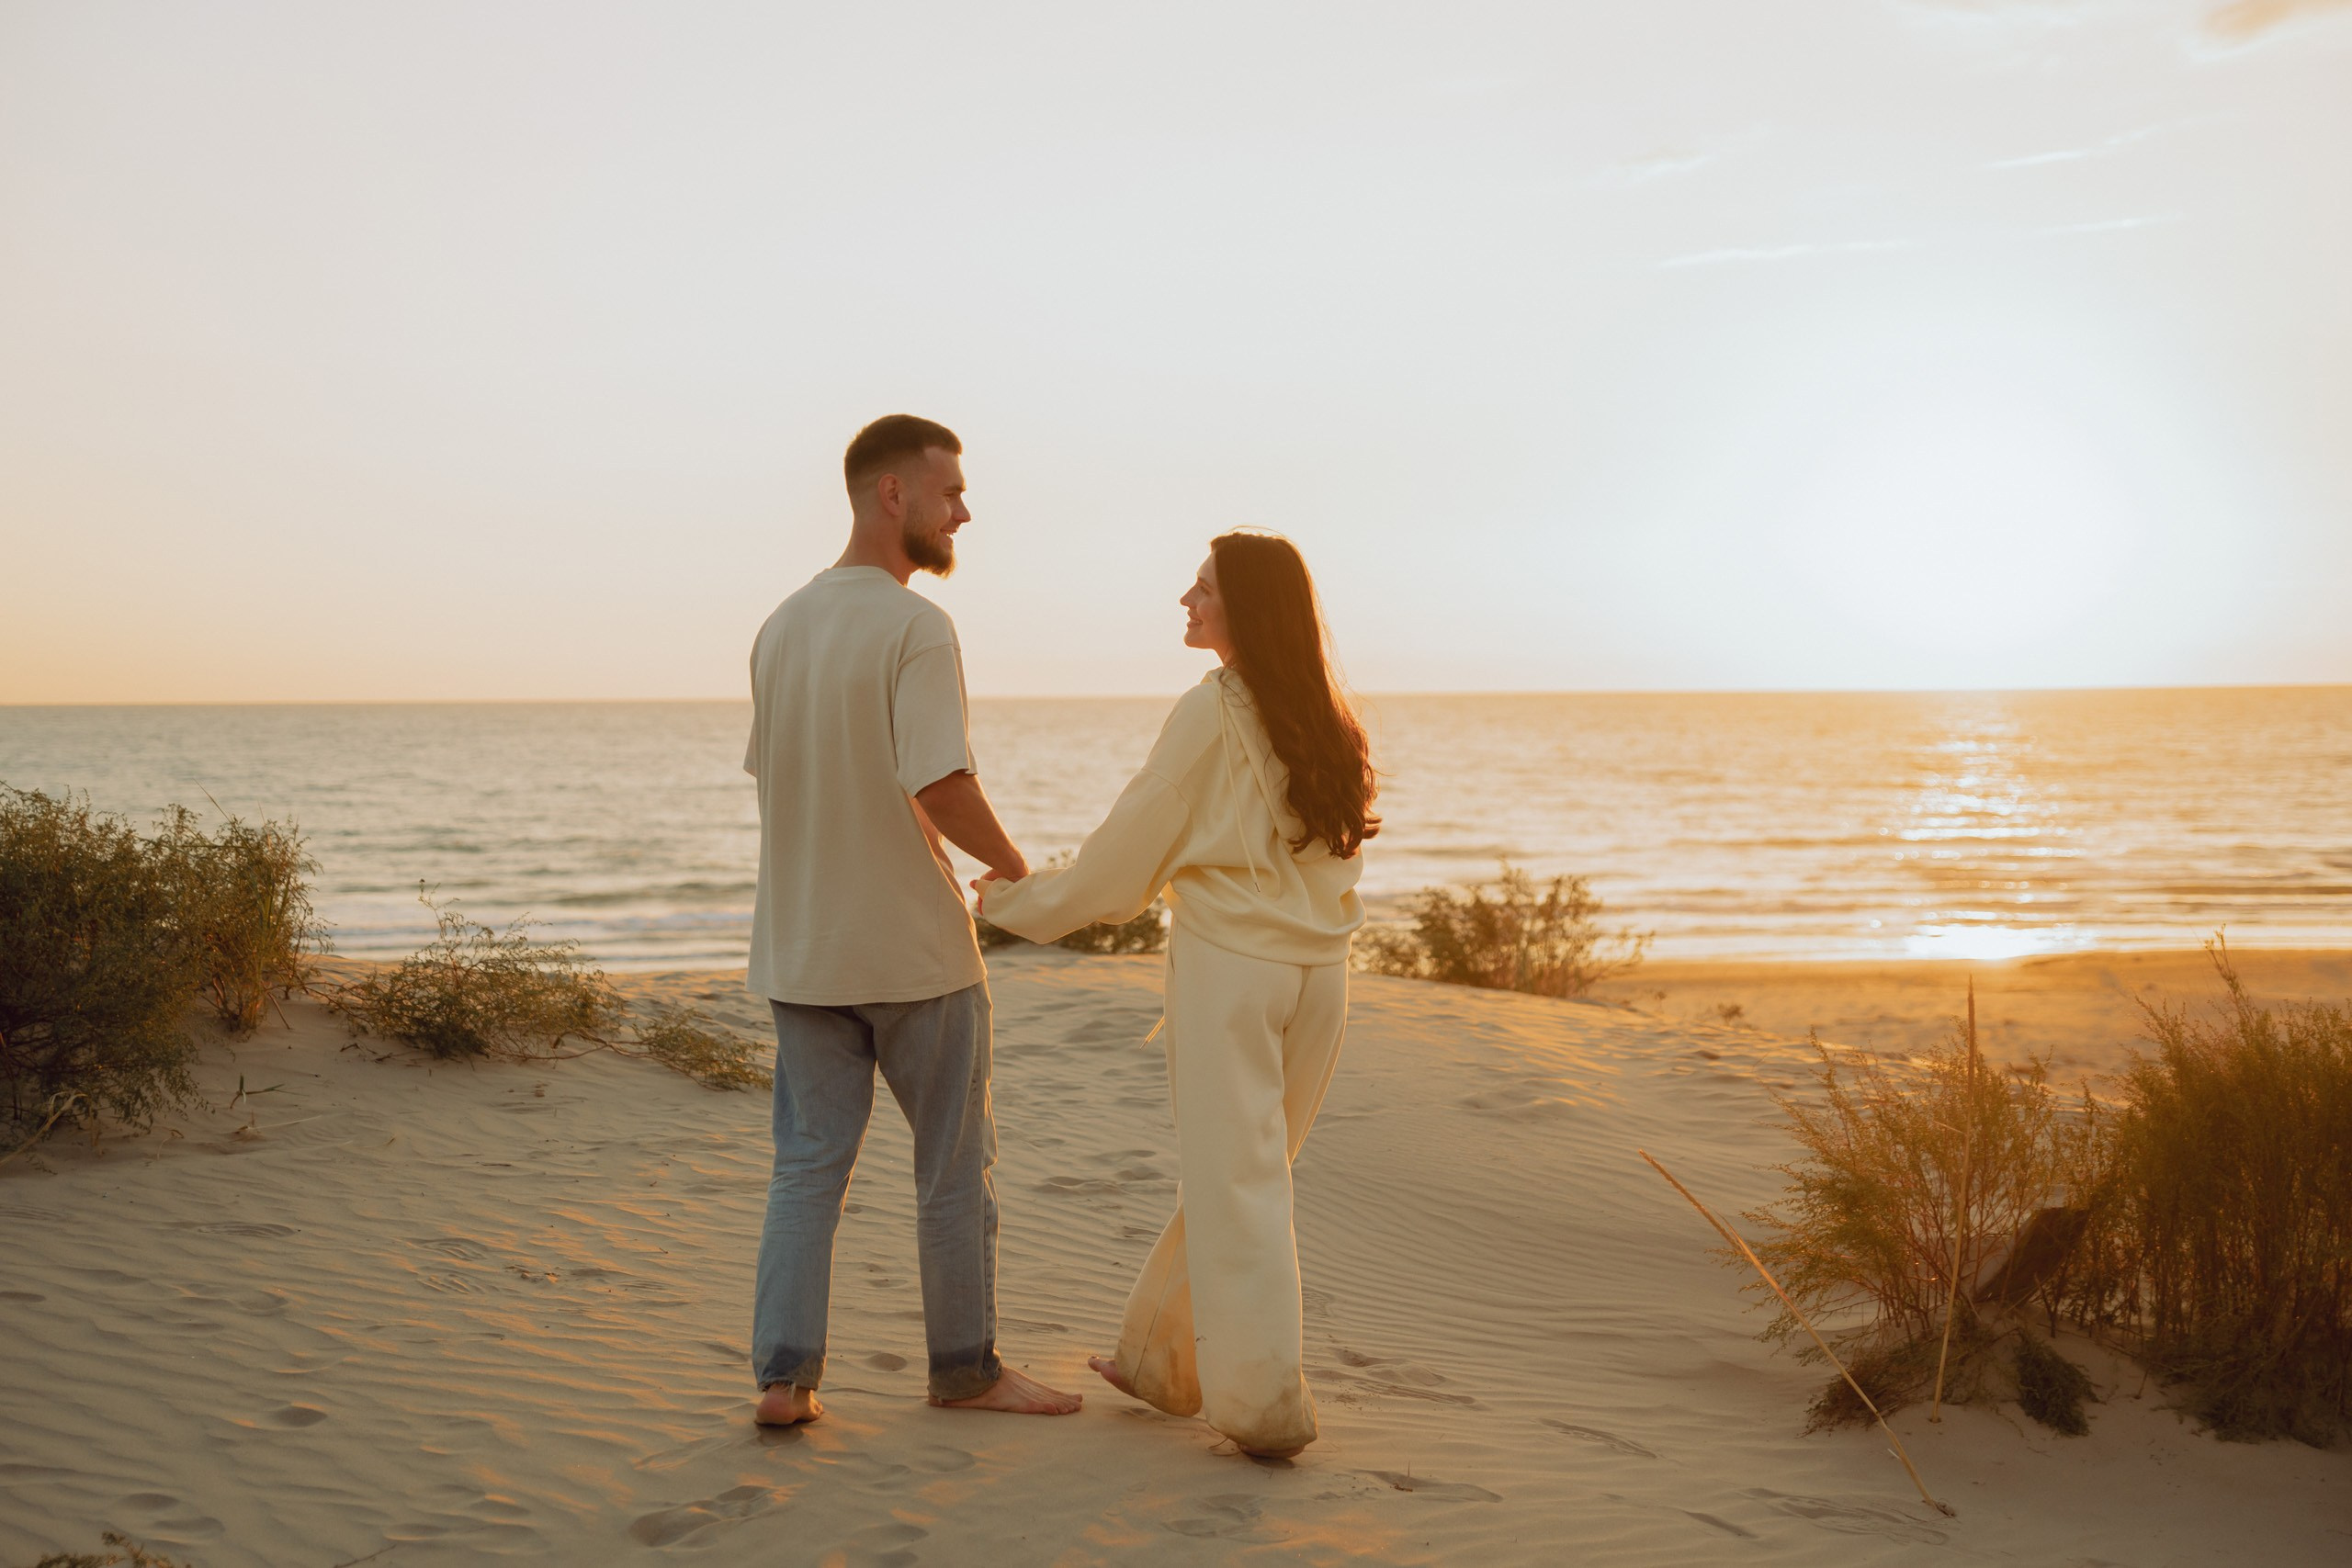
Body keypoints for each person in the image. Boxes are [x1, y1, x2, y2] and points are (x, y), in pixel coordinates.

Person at [975, 530, 1376, 1457]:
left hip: (1234, 974)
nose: (1183, 601)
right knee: (1248, 1179)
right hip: (1321, 978)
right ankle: (1160, 1360)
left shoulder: (1209, 712)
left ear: (1248, 608)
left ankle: (1265, 1406)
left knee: (1239, 1186)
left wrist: (1013, 905)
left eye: (1203, 589)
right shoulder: (1328, 713)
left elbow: (1119, 870)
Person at [741, 413, 1082, 1426]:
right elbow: (938, 781)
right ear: (892, 495)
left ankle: (783, 1382)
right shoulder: (915, 627)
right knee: (951, 1173)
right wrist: (1022, 875)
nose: (963, 510)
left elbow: (778, 783)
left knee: (806, 1175)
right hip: (919, 957)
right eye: (949, 492)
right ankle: (966, 1372)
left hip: (803, 957)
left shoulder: (780, 625)